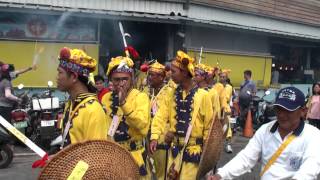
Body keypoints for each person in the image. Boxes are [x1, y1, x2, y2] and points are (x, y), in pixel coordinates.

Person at [207, 87, 320, 180]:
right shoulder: (265, 130)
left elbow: (310, 168)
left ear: (303, 111)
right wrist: (221, 175)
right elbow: (246, 158)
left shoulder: (313, 135)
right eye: (279, 109)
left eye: (288, 110)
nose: (281, 115)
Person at [149, 51, 213, 180]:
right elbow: (160, 116)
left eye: (173, 72)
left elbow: (209, 126)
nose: (170, 74)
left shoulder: (203, 95)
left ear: (184, 73)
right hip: (174, 150)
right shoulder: (171, 93)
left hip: (193, 152)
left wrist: (207, 154)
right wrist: (155, 136)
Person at [101, 56, 150, 179]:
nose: (121, 83)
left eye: (125, 79)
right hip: (111, 156)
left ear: (132, 79)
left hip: (134, 156)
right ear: (111, 80)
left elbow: (143, 127)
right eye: (116, 79)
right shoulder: (106, 98)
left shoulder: (141, 97)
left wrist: (124, 104)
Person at [57, 47, 107, 147]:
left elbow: (95, 158)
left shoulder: (93, 110)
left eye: (60, 72)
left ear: (74, 77)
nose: (57, 77)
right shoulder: (71, 103)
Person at [142, 61, 171, 180]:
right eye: (149, 74)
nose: (149, 78)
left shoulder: (169, 92)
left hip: (161, 136)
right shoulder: (146, 91)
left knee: (161, 170)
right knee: (147, 167)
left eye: (152, 75)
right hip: (146, 135)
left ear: (161, 77)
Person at [219, 69, 233, 153]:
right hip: (218, 108)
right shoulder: (216, 86)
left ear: (226, 78)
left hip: (226, 108)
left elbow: (230, 98)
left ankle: (228, 145)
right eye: (220, 76)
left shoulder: (230, 87)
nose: (222, 78)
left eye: (224, 77)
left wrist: (229, 108)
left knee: (228, 127)